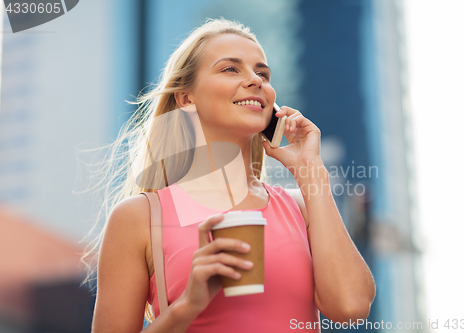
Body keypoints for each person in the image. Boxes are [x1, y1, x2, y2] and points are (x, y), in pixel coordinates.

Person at [84, 18, 375, 333]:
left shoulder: (299, 207)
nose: (255, 80)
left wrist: (311, 173)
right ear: (186, 98)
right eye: (230, 69)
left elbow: (350, 308)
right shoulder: (139, 217)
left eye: (262, 73)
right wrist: (186, 307)